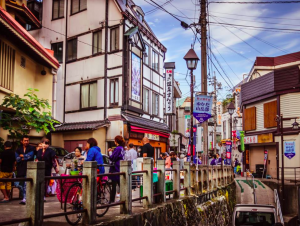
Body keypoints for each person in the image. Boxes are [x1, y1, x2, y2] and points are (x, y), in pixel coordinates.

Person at [15, 135, 35, 205]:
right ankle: (23, 197)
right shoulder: (18, 149)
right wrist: (24, 157)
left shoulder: (32, 148)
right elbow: (17, 158)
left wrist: (23, 156)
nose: (26, 142)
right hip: (21, 169)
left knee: (27, 184)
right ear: (22, 141)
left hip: (29, 168)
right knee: (21, 184)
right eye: (25, 140)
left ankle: (26, 199)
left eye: (27, 140)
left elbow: (30, 156)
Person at [109, 135, 126, 203]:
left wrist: (110, 153)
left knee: (114, 184)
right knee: (120, 184)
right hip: (120, 167)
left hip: (115, 168)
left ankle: (112, 199)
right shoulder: (122, 148)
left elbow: (113, 158)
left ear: (116, 141)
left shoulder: (118, 148)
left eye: (115, 140)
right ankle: (123, 198)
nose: (114, 141)